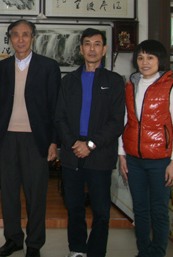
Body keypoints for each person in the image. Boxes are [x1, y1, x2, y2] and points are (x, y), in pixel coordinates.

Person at [0, 20, 61, 257]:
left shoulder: (48, 67)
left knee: (36, 194)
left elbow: (56, 107)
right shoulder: (2, 68)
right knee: (9, 193)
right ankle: (13, 239)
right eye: (15, 35)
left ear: (33, 37)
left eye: (25, 34)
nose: (20, 39)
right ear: (10, 38)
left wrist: (54, 141)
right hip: (7, 138)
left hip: (36, 139)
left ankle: (34, 244)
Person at [54, 28, 125, 257]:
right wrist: (73, 143)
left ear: (104, 50)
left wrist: (91, 144)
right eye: (87, 43)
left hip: (100, 153)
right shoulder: (69, 81)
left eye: (97, 44)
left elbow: (116, 122)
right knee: (74, 207)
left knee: (101, 210)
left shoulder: (114, 81)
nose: (92, 48)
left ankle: (96, 252)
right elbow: (59, 117)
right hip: (72, 151)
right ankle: (77, 249)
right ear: (81, 49)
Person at [118, 40, 173, 257]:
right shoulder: (131, 86)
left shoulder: (171, 88)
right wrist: (122, 154)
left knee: (159, 211)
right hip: (134, 160)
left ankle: (157, 253)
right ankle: (144, 252)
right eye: (140, 57)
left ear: (159, 61)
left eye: (150, 57)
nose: (144, 62)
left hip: (161, 161)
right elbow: (125, 122)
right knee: (140, 210)